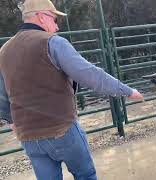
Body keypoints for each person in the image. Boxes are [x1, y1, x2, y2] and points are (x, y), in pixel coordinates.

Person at [0, 0, 144, 179]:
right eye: (54, 20)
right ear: (42, 17)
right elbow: (89, 74)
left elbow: (3, 94)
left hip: (29, 136)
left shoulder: (4, 51)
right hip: (62, 129)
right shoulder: (52, 43)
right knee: (85, 175)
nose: (56, 27)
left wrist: (10, 121)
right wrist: (126, 91)